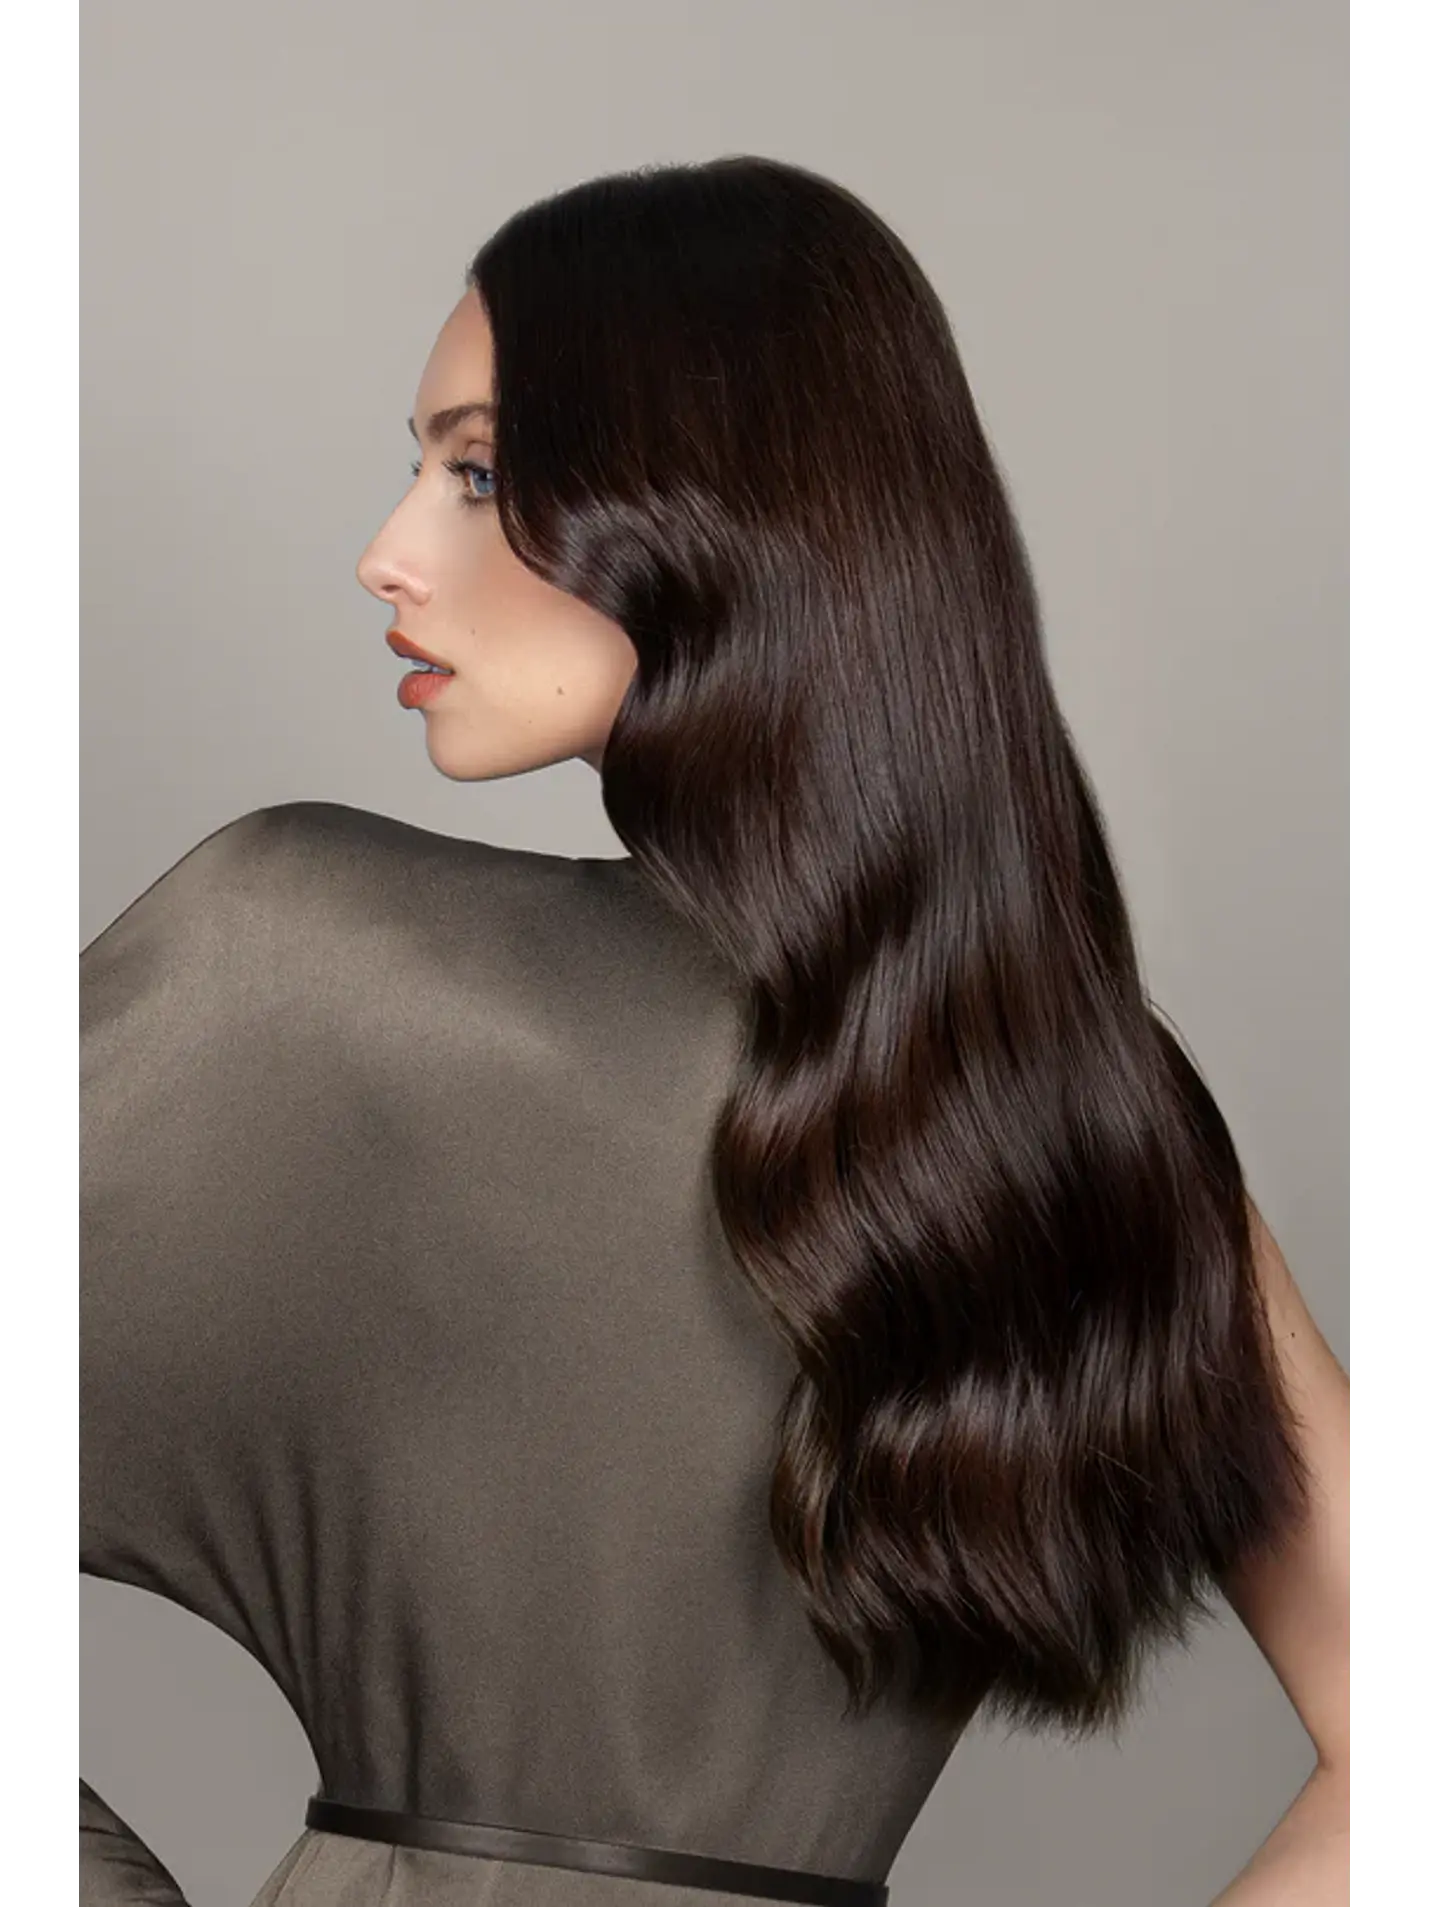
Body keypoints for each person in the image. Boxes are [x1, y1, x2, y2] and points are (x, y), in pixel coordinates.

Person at [73, 155, 1350, 1907]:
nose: (388, 552)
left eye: (478, 473)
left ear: (722, 508)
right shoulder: (1075, 1107)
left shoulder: (303, 962)